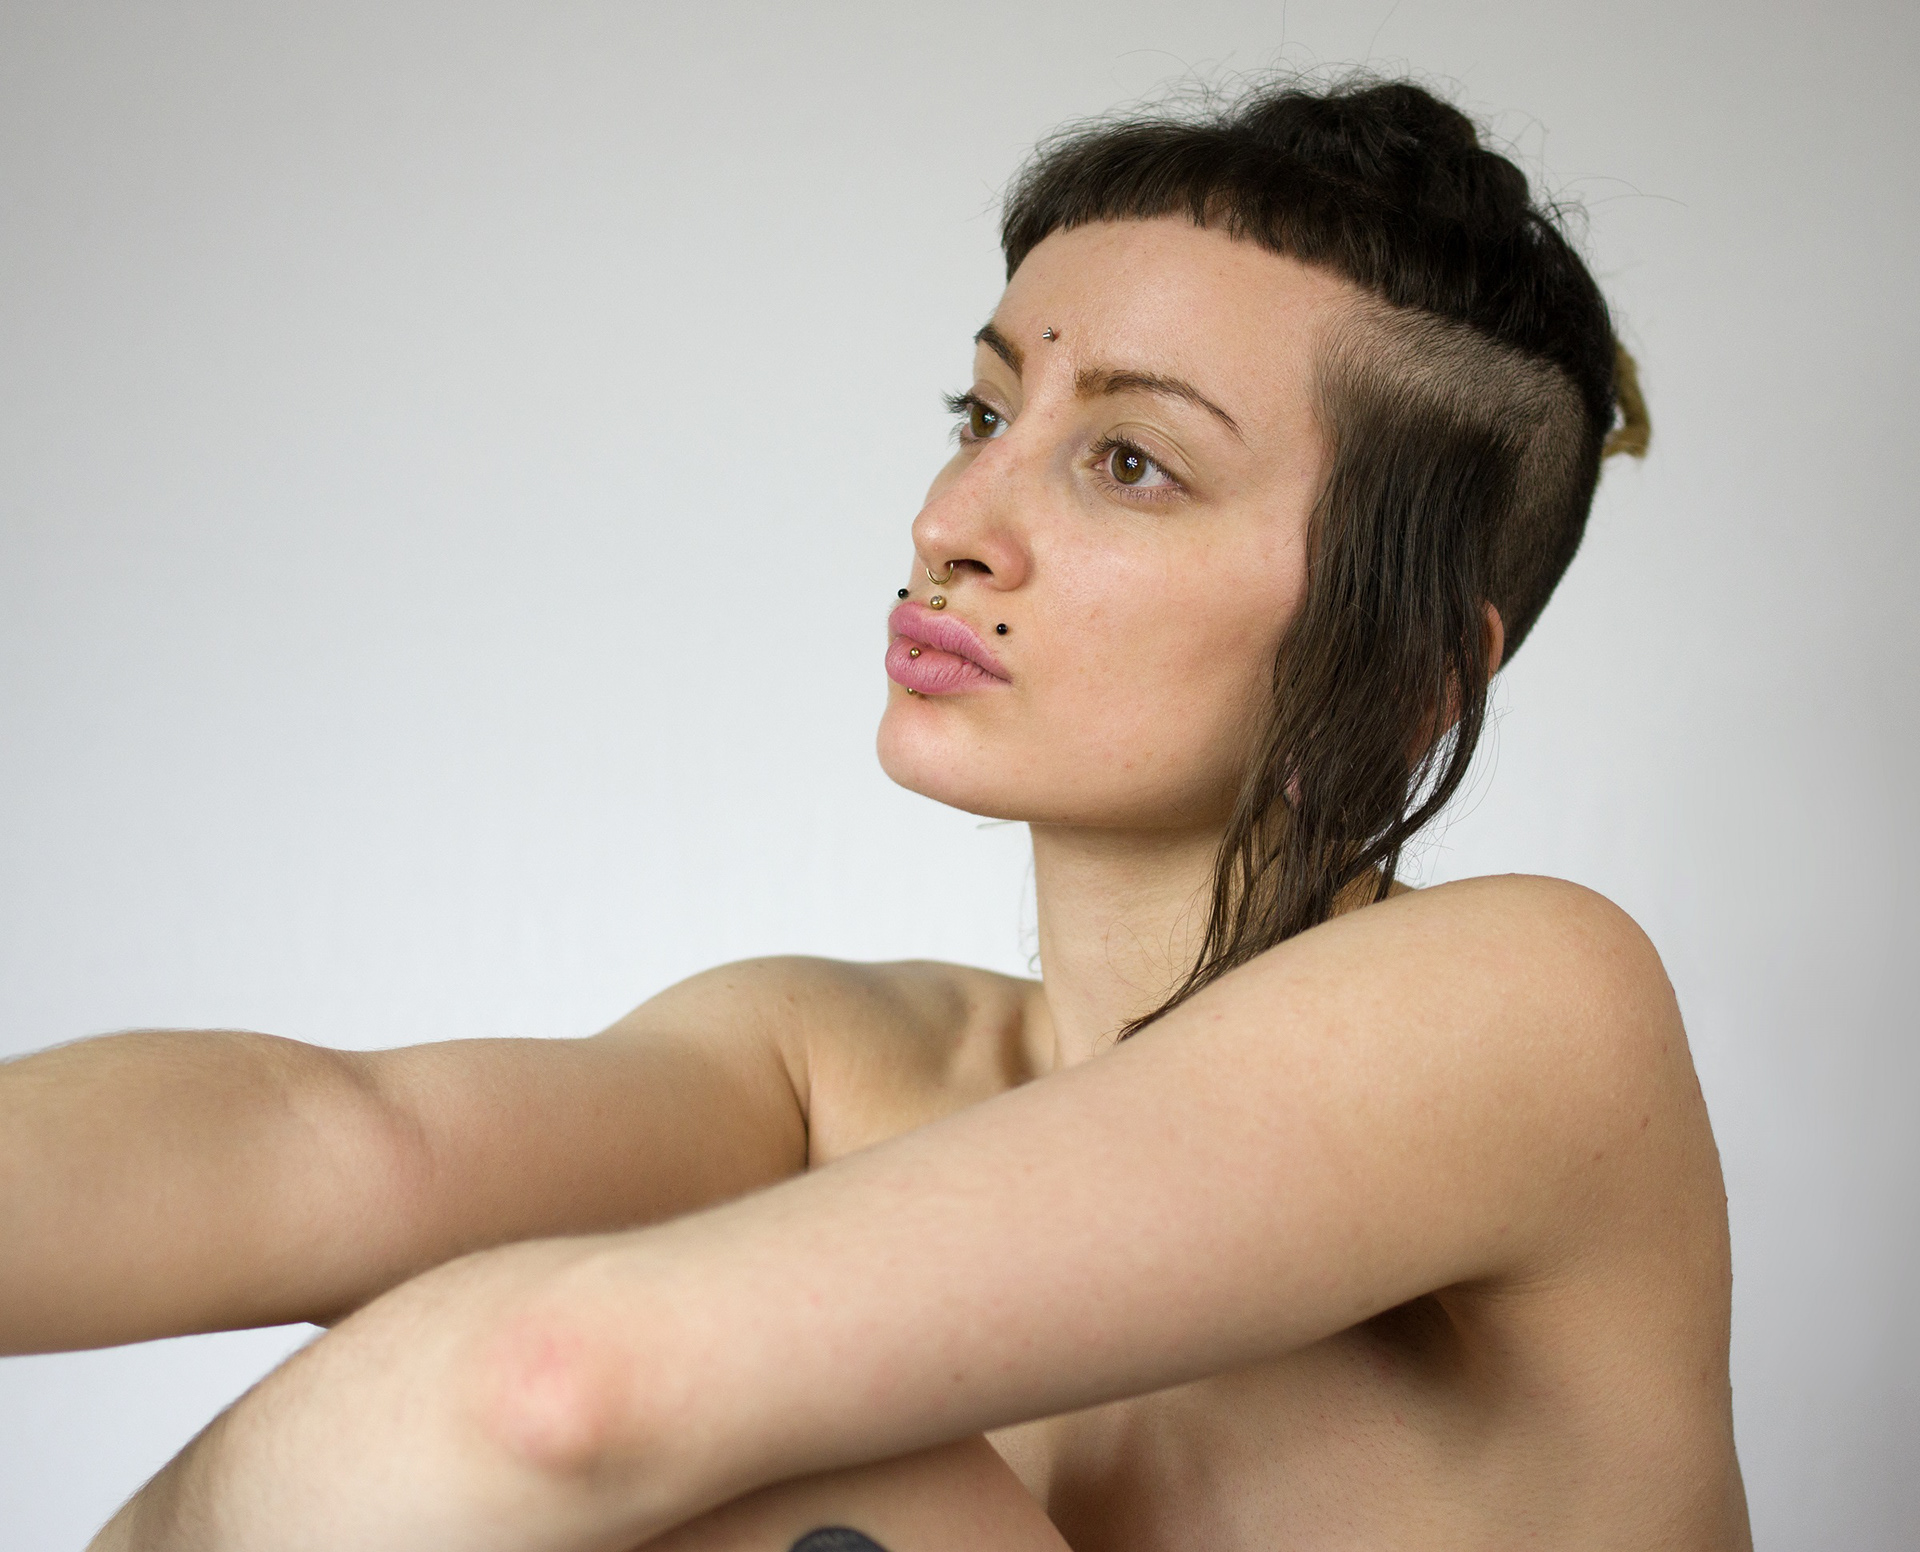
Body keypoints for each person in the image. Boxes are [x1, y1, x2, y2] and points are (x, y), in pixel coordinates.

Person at [0, 76, 1748, 1551]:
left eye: (1129, 462)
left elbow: (554, 1384)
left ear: (1415, 674)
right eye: (983, 411)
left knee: (782, 1462)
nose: (955, 518)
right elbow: (332, 1144)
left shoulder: (1535, 1003)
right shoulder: (840, 1064)